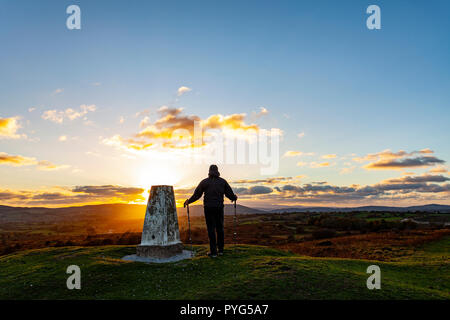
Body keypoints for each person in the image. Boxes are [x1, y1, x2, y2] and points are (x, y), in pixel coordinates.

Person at [184, 164, 237, 257]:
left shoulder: (204, 182)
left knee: (211, 229)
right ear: (217, 171)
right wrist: (234, 197)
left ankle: (213, 252)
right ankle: (220, 250)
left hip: (208, 208)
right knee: (220, 228)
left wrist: (189, 201)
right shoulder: (222, 181)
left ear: (209, 171)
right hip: (219, 207)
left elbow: (197, 195)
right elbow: (229, 193)